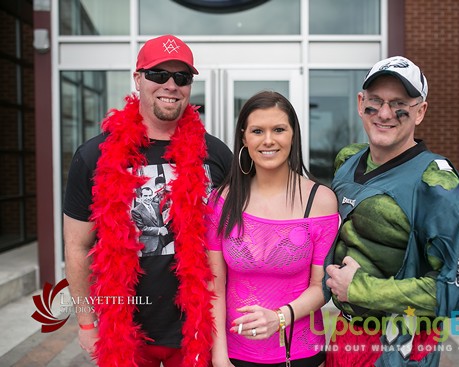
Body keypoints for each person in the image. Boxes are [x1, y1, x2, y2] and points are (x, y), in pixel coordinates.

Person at [63, 34, 232, 367]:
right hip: (124, 333)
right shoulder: (93, 156)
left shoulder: (216, 155)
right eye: (158, 75)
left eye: (181, 77)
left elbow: (236, 238)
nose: (170, 85)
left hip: (197, 330)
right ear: (138, 78)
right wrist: (86, 322)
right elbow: (76, 246)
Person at [324, 56, 459, 366]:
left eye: (399, 103)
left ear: (421, 111)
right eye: (375, 101)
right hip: (346, 333)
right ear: (360, 102)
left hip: (399, 345)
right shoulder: (348, 160)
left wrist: (364, 289)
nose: (384, 113)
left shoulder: (438, 185)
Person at [206, 91, 340, 367]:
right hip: (234, 355)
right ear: (244, 138)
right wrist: (219, 358)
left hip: (299, 354)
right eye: (257, 131)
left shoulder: (321, 201)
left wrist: (280, 317)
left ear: (293, 135)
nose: (268, 140)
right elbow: (214, 286)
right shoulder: (222, 200)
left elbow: (320, 287)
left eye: (278, 129)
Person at [131, 186, 169, 256]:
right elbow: (143, 228)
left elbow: (164, 218)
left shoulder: (157, 205)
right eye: (145, 196)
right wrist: (159, 230)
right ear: (141, 196)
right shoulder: (136, 211)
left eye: (150, 195)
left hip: (160, 242)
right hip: (148, 245)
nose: (148, 198)